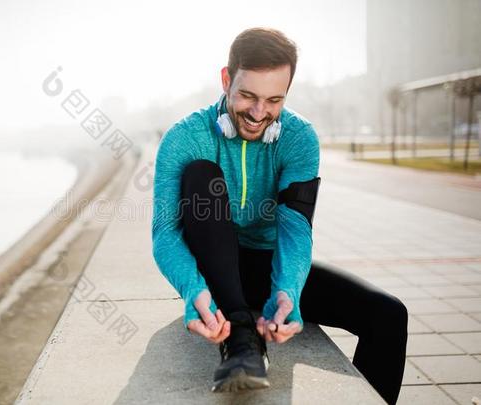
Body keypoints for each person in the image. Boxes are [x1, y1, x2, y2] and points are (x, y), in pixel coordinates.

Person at [151, 27, 408, 404]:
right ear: (226, 79)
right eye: (248, 96)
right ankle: (241, 340)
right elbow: (165, 233)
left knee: (388, 315)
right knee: (201, 174)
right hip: (211, 267)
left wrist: (288, 290)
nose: (259, 114)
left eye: (274, 100)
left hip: (262, 266)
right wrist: (193, 291)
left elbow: (295, 226)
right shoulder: (185, 137)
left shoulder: (299, 137)